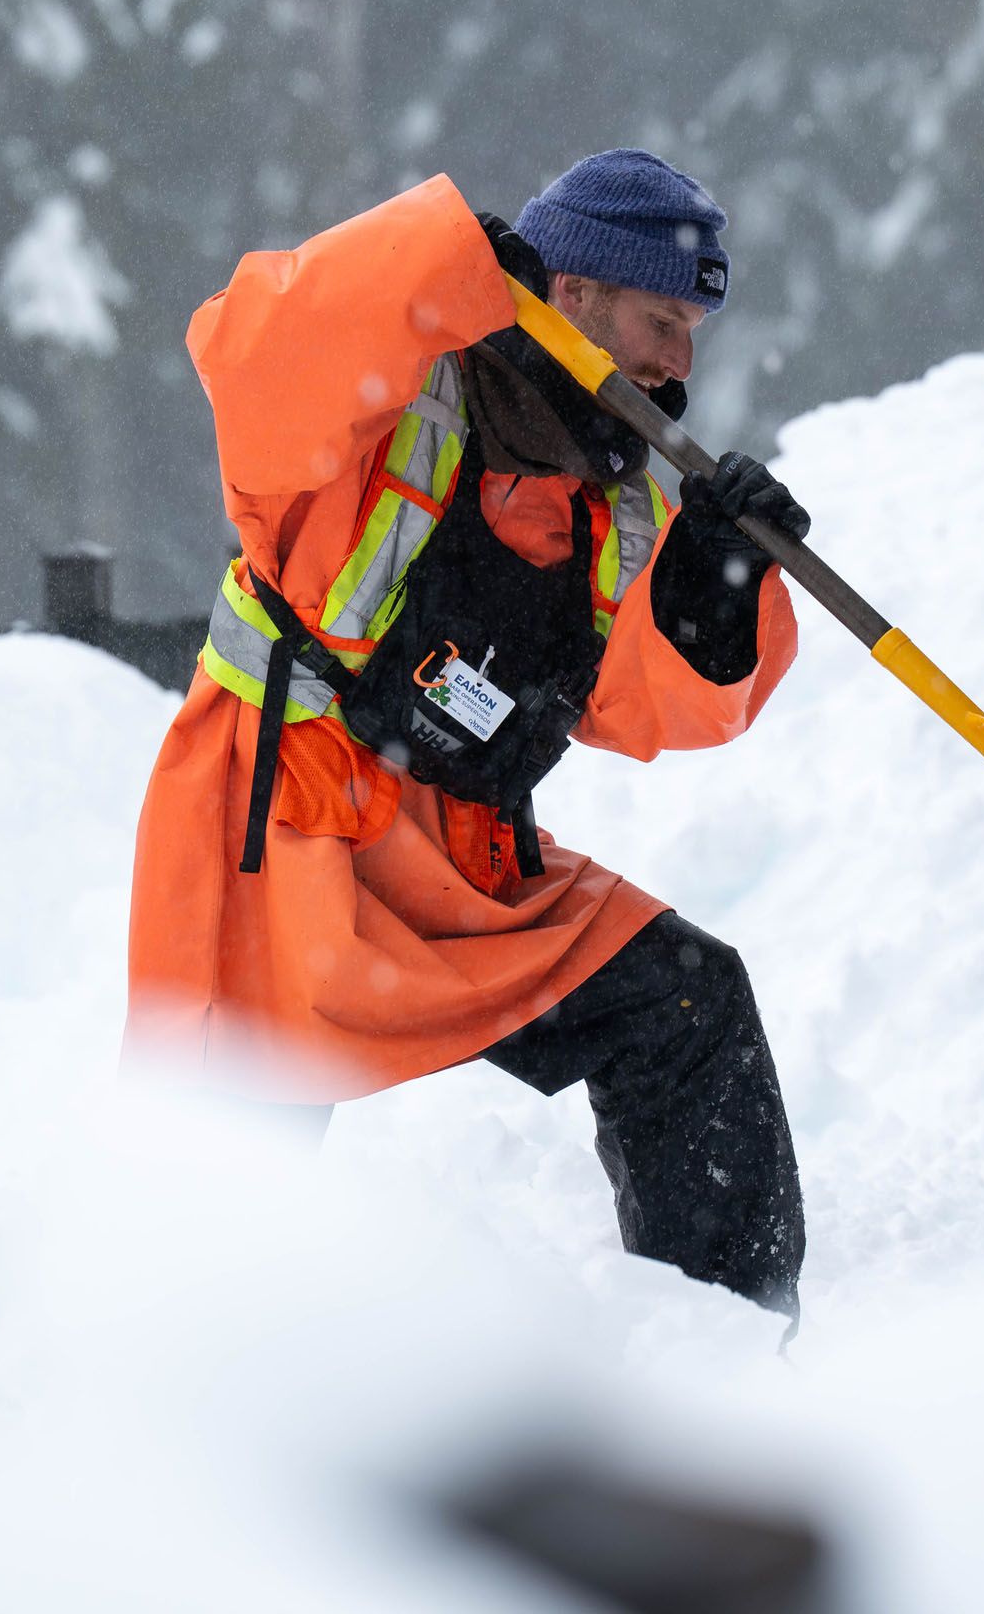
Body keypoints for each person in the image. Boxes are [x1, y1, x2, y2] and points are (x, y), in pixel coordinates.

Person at [125, 148, 810, 1323]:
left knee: (689, 1006)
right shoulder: (393, 382)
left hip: (462, 863)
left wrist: (719, 586)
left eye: (692, 332)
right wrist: (435, 266)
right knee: (210, 1202)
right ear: (576, 293)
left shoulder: (621, 495)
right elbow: (244, 344)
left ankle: (732, 1357)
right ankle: (156, 1434)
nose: (678, 364)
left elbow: (651, 705)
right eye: (661, 319)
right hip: (279, 827)